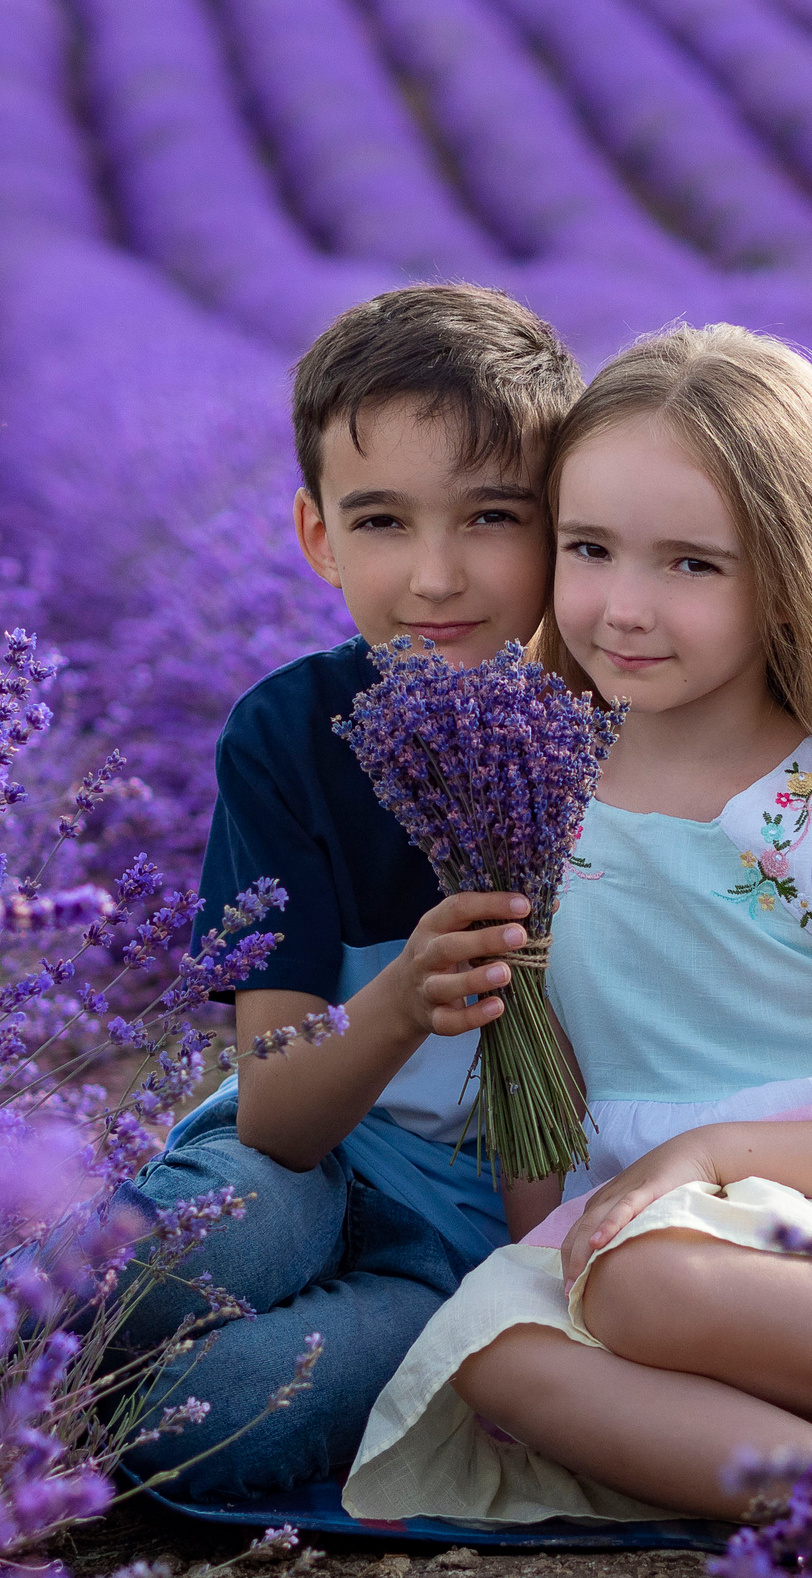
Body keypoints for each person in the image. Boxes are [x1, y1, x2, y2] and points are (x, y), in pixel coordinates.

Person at [342, 324, 812, 1526]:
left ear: (792, 577)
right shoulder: (534, 787)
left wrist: (711, 1155)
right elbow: (540, 1074)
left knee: (646, 1289)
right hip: (647, 1236)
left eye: (692, 564)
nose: (625, 607)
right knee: (493, 1352)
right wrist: (538, 1251)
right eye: (589, 549)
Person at [105, 284, 582, 1504]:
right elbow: (277, 1115)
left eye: (492, 517)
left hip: (464, 1256)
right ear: (318, 537)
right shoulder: (293, 735)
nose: (436, 575)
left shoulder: (619, 733)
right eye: (381, 522)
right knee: (183, 1254)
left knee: (205, 1422)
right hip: (308, 1163)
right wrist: (402, 1001)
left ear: (566, 525)